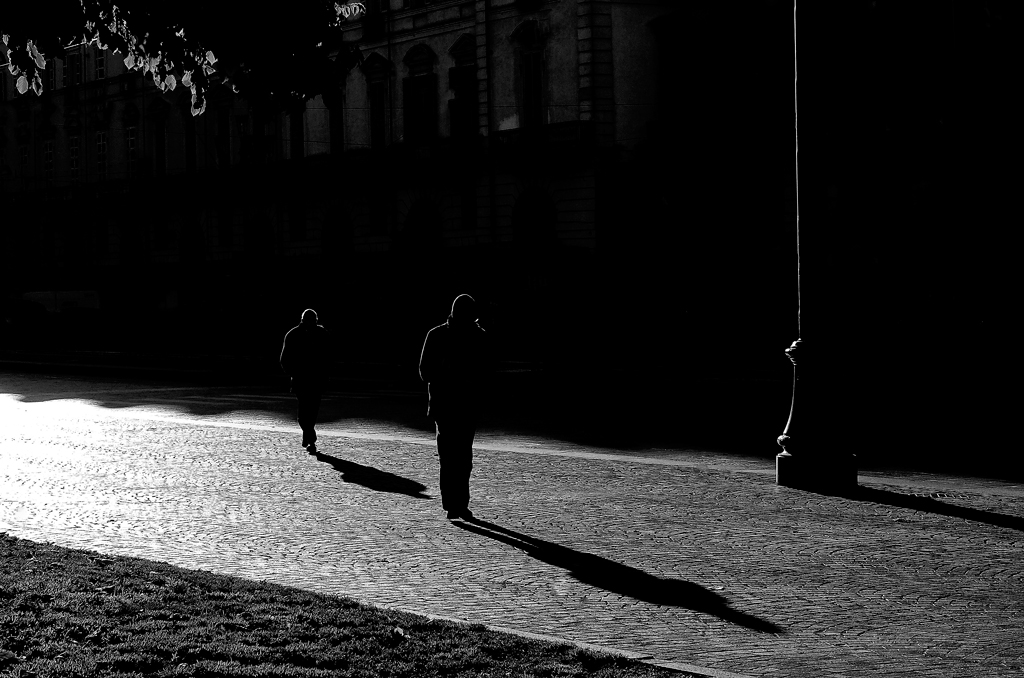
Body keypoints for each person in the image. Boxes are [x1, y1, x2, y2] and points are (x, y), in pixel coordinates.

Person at [419, 294, 491, 521]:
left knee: (459, 458)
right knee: (453, 457)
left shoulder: (476, 337)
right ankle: (453, 503)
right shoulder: (439, 335)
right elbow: (425, 372)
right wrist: (447, 373)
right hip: (448, 406)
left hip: (462, 406)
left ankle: (457, 503)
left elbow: (487, 372)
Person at [280, 308, 330, 452]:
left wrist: (325, 375)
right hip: (301, 379)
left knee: (312, 410)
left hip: (316, 379)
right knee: (304, 412)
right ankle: (310, 434)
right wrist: (294, 373)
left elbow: (328, 357)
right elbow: (284, 359)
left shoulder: (322, 334)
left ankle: (308, 435)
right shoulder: (293, 334)